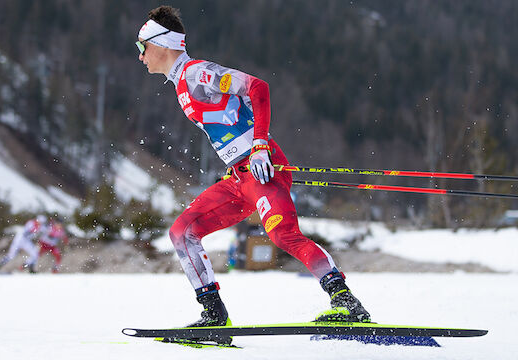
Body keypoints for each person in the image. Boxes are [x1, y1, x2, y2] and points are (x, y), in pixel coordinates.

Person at [135, 5, 370, 341]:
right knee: (181, 232)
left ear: (161, 44)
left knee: (282, 236)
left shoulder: (197, 75)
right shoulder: (180, 86)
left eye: (142, 48)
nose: (141, 56)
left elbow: (257, 88)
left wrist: (259, 145)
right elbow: (230, 124)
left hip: (264, 169)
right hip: (239, 178)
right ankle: (214, 316)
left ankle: (347, 303)